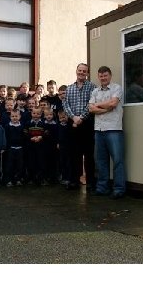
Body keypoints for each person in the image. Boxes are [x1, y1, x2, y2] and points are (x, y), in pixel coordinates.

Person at [88, 66, 126, 199]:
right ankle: (102, 188)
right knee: (100, 161)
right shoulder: (95, 91)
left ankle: (119, 189)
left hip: (114, 129)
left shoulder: (117, 88)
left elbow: (113, 104)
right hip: (99, 130)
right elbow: (91, 109)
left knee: (117, 160)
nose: (103, 78)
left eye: (105, 75)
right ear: (98, 77)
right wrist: (105, 108)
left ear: (110, 75)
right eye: (101, 76)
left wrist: (98, 105)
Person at [62, 63, 97, 191]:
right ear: (76, 71)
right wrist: (73, 117)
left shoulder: (93, 87)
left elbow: (91, 104)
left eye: (84, 71)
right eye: (79, 70)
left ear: (87, 73)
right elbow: (65, 104)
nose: (81, 72)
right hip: (72, 124)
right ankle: (74, 181)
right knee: (74, 154)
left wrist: (81, 118)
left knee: (89, 154)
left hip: (87, 124)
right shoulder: (69, 88)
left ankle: (90, 182)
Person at [3, 109, 25, 186]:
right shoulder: (7, 126)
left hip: (20, 148)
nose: (14, 118)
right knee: (9, 165)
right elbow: (5, 137)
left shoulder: (22, 126)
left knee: (19, 165)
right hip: (10, 148)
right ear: (10, 117)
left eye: (16, 116)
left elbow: (24, 137)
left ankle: (18, 179)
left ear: (20, 116)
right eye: (12, 116)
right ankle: (9, 180)